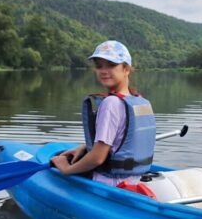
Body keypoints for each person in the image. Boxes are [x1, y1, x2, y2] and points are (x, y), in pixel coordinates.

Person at [51, 40, 156, 186]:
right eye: (99, 66)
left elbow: (97, 158)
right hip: (136, 180)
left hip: (111, 182)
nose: (104, 71)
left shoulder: (110, 103)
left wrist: (66, 169)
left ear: (126, 69)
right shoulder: (140, 101)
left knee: (57, 159)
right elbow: (120, 141)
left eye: (111, 65)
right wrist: (84, 147)